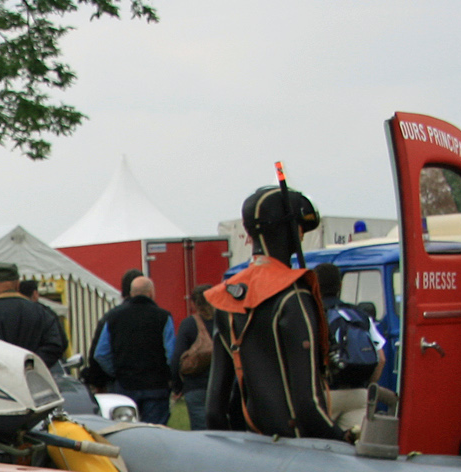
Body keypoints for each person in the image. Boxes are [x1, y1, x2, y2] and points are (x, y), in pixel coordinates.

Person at [204, 185, 348, 441]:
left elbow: (215, 410)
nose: (302, 235)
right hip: (298, 449)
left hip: (252, 446)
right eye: (300, 228)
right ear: (289, 230)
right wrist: (345, 441)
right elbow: (308, 406)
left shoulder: (227, 296)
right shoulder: (295, 296)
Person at [93, 275, 175, 424]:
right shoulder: (163, 317)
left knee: (126, 431)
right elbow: (171, 354)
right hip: (156, 386)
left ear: (131, 293)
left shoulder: (113, 317)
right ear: (151, 293)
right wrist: (169, 377)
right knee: (155, 432)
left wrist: (117, 371)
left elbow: (101, 354)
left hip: (125, 385)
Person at [315, 262, 384, 433]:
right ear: (340, 285)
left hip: (326, 396)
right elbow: (381, 359)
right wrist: (365, 387)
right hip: (359, 395)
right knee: (355, 447)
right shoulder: (360, 315)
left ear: (314, 286)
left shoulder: (313, 314)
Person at [0, 261, 66, 364]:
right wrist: (32, 364)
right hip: (32, 377)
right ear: (17, 285)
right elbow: (56, 345)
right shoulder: (41, 312)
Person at [171, 284, 218, 430]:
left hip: (195, 387)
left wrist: (177, 386)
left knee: (201, 432)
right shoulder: (225, 321)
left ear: (193, 303)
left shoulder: (189, 324)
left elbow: (177, 357)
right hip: (222, 385)